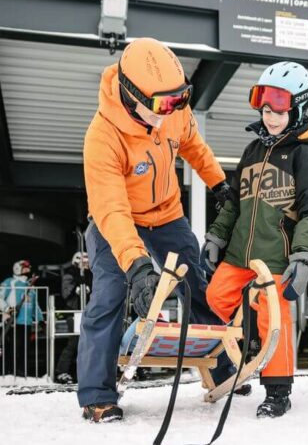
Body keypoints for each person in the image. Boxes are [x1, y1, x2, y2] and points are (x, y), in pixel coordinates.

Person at [77, 37, 238, 423]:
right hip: (116, 220)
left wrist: (218, 184)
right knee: (110, 294)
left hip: (165, 213)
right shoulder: (102, 138)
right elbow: (112, 211)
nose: (170, 114)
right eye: (162, 105)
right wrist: (138, 267)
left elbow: (193, 146)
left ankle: (220, 369)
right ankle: (98, 394)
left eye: (179, 99)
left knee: (197, 282)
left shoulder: (173, 108)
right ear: (132, 96)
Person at [203, 61, 308, 418]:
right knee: (215, 297)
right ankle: (241, 353)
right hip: (238, 254)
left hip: (276, 257)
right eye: (263, 103)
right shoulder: (252, 151)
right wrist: (216, 235)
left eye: (279, 104)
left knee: (274, 316)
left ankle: (278, 390)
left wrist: (304, 255)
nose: (270, 114)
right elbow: (233, 203)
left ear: (299, 106)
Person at [0, 260, 44, 377]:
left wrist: (41, 319)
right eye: (25, 268)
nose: (28, 271)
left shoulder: (30, 286)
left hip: (26, 322)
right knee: (12, 348)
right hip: (12, 322)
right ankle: (9, 372)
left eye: (28, 268)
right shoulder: (9, 282)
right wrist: (7, 309)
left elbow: (35, 306)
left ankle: (21, 372)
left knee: (24, 349)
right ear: (17, 269)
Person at [55, 252, 91, 384]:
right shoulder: (70, 275)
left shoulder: (91, 275)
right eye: (83, 262)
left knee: (89, 344)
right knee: (74, 342)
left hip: (88, 312)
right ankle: (62, 371)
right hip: (74, 312)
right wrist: (76, 290)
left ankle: (83, 372)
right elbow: (66, 294)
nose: (86, 265)